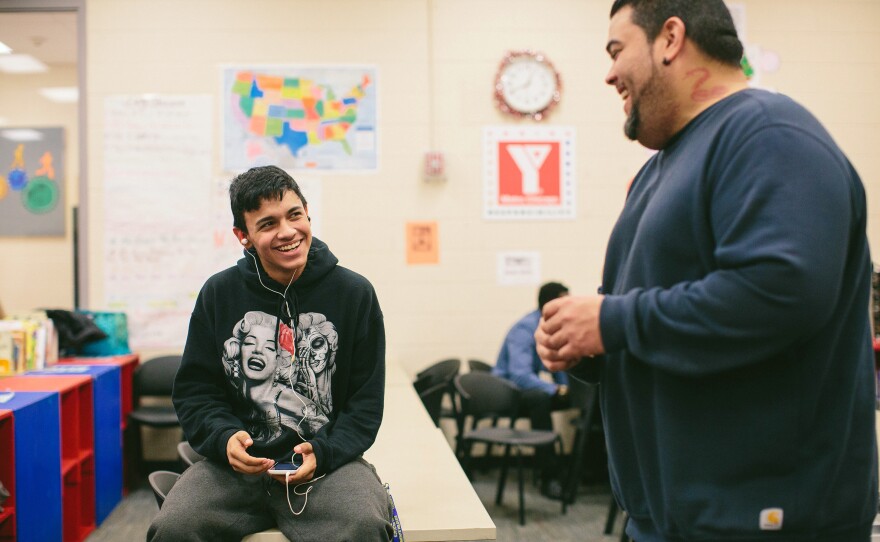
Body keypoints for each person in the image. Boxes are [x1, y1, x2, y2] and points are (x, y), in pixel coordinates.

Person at [535, 1, 878, 540]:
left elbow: (780, 293)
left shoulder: (768, 135)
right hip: (669, 518)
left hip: (761, 520)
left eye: (616, 50)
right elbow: (654, 324)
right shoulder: (657, 171)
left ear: (670, 38)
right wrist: (589, 347)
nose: (608, 73)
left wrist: (613, 322)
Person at [148, 166, 392, 541]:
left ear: (307, 212)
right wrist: (225, 437)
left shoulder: (355, 293)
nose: (288, 232)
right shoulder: (218, 294)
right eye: (267, 224)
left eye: (294, 215)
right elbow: (197, 392)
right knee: (173, 528)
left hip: (326, 467)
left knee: (365, 525)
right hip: (234, 472)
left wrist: (324, 453)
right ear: (243, 236)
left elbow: (365, 405)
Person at [493, 281, 570, 499]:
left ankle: (587, 470)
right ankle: (549, 477)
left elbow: (557, 364)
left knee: (588, 398)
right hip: (507, 392)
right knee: (539, 398)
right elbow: (520, 376)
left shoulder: (555, 327)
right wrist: (556, 389)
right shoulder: (525, 328)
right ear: (549, 305)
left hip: (525, 389)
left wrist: (567, 389)